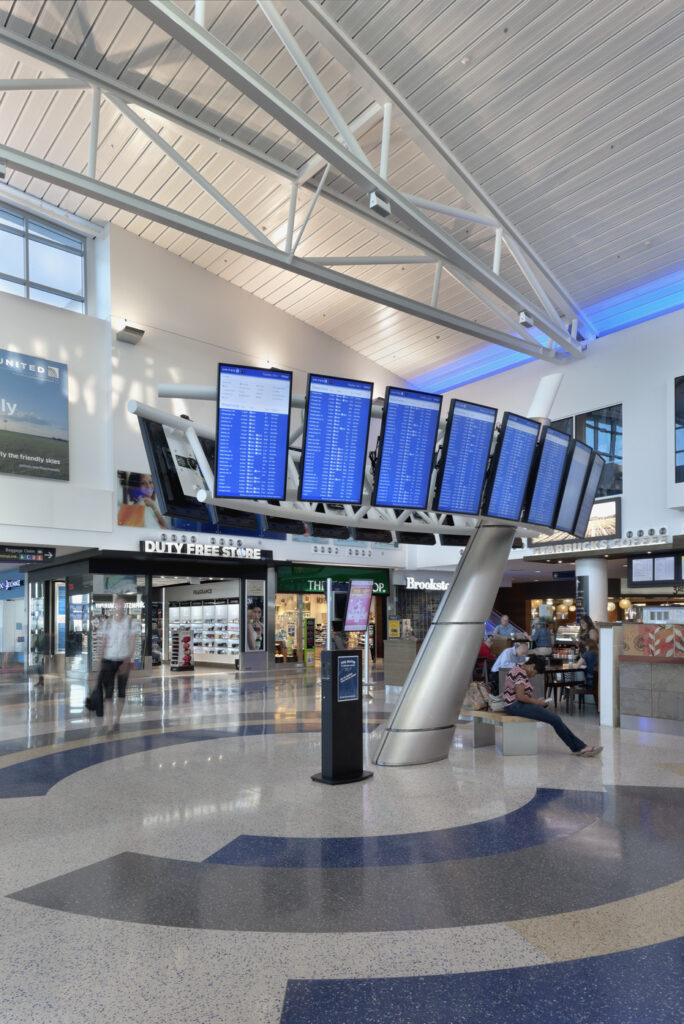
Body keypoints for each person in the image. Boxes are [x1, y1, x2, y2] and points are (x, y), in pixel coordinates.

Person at [503, 657, 602, 757]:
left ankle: (579, 747)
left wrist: (537, 702)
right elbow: (520, 697)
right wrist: (537, 703)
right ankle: (580, 748)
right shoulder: (521, 673)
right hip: (516, 705)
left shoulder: (517, 669)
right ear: (532, 666)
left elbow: (519, 695)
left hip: (514, 705)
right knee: (555, 719)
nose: (533, 676)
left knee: (555, 719)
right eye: (535, 673)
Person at [95, 594, 139, 734]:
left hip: (123, 661)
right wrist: (99, 662)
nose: (120, 607)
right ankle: (109, 725)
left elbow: (132, 642)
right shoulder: (107, 623)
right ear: (114, 606)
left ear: (125, 606)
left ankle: (117, 720)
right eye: (118, 604)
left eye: (122, 604)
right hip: (108, 660)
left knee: (121, 692)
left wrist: (127, 660)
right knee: (108, 693)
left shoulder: (131, 623)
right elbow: (103, 642)